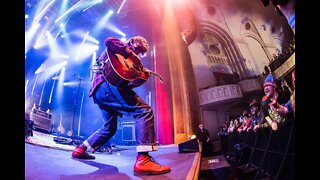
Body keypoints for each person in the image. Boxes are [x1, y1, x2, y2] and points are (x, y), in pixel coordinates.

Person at [71, 36, 171, 176]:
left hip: (101, 91)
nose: (137, 54)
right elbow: (108, 40)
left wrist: (141, 77)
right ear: (132, 43)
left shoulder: (128, 62)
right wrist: (130, 52)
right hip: (107, 85)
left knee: (109, 128)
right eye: (137, 49)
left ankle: (81, 149)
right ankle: (143, 160)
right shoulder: (120, 46)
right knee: (144, 110)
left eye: (139, 52)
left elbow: (126, 82)